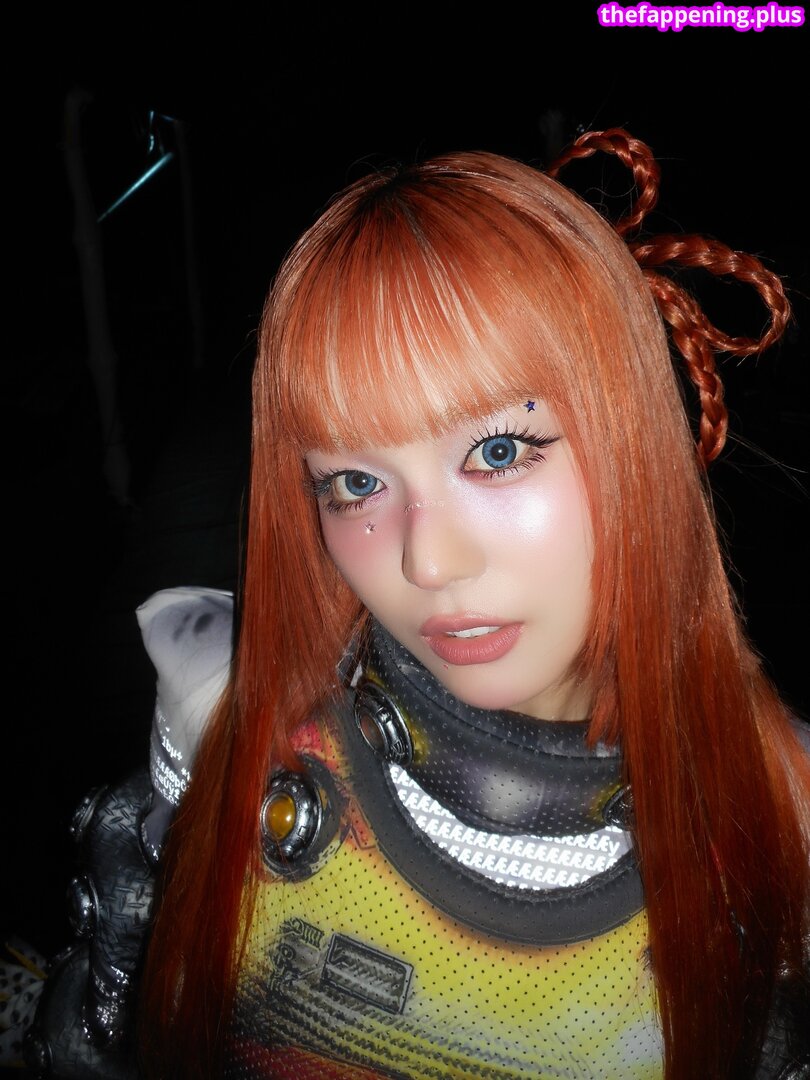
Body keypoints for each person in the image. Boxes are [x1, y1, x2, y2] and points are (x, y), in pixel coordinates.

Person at [29, 130, 809, 1079]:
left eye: (497, 452)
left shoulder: (786, 824)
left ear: (635, 437)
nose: (428, 561)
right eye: (356, 483)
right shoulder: (219, 716)